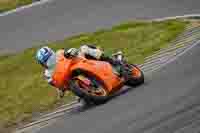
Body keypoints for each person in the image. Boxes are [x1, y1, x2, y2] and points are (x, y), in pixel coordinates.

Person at [35, 45, 130, 98]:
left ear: (52, 53)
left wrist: (71, 52)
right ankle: (90, 91)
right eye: (46, 61)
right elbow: (55, 83)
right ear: (43, 64)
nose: (50, 62)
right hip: (71, 81)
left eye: (50, 58)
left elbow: (71, 51)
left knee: (84, 48)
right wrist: (60, 89)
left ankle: (114, 61)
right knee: (80, 101)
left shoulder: (59, 53)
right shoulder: (47, 74)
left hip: (80, 62)